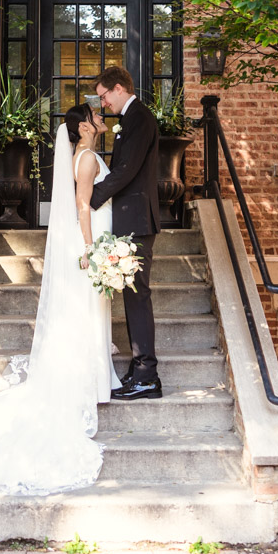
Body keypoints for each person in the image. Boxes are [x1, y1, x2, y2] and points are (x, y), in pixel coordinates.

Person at [0, 104, 120, 496]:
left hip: (92, 245)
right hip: (90, 246)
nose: (104, 119)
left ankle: (96, 380)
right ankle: (91, 384)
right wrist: (93, 251)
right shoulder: (86, 159)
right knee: (87, 314)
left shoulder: (83, 155)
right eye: (97, 116)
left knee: (88, 314)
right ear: (85, 126)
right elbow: (83, 207)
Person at [91, 66, 161, 400]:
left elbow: (127, 169)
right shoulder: (131, 118)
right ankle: (139, 369)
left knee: (137, 297)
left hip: (137, 221)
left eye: (104, 96)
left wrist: (90, 198)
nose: (103, 103)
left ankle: (147, 375)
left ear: (119, 88)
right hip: (129, 221)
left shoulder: (139, 117)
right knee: (133, 297)